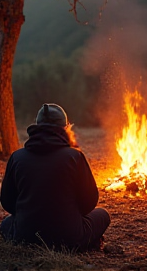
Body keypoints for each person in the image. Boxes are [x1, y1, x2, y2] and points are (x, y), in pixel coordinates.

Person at [0, 103, 110, 251]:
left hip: (25, 237)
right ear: (65, 129)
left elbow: (7, 202)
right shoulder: (74, 157)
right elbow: (89, 202)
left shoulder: (17, 157)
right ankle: (88, 242)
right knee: (103, 215)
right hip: (69, 238)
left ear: (37, 126)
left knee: (6, 224)